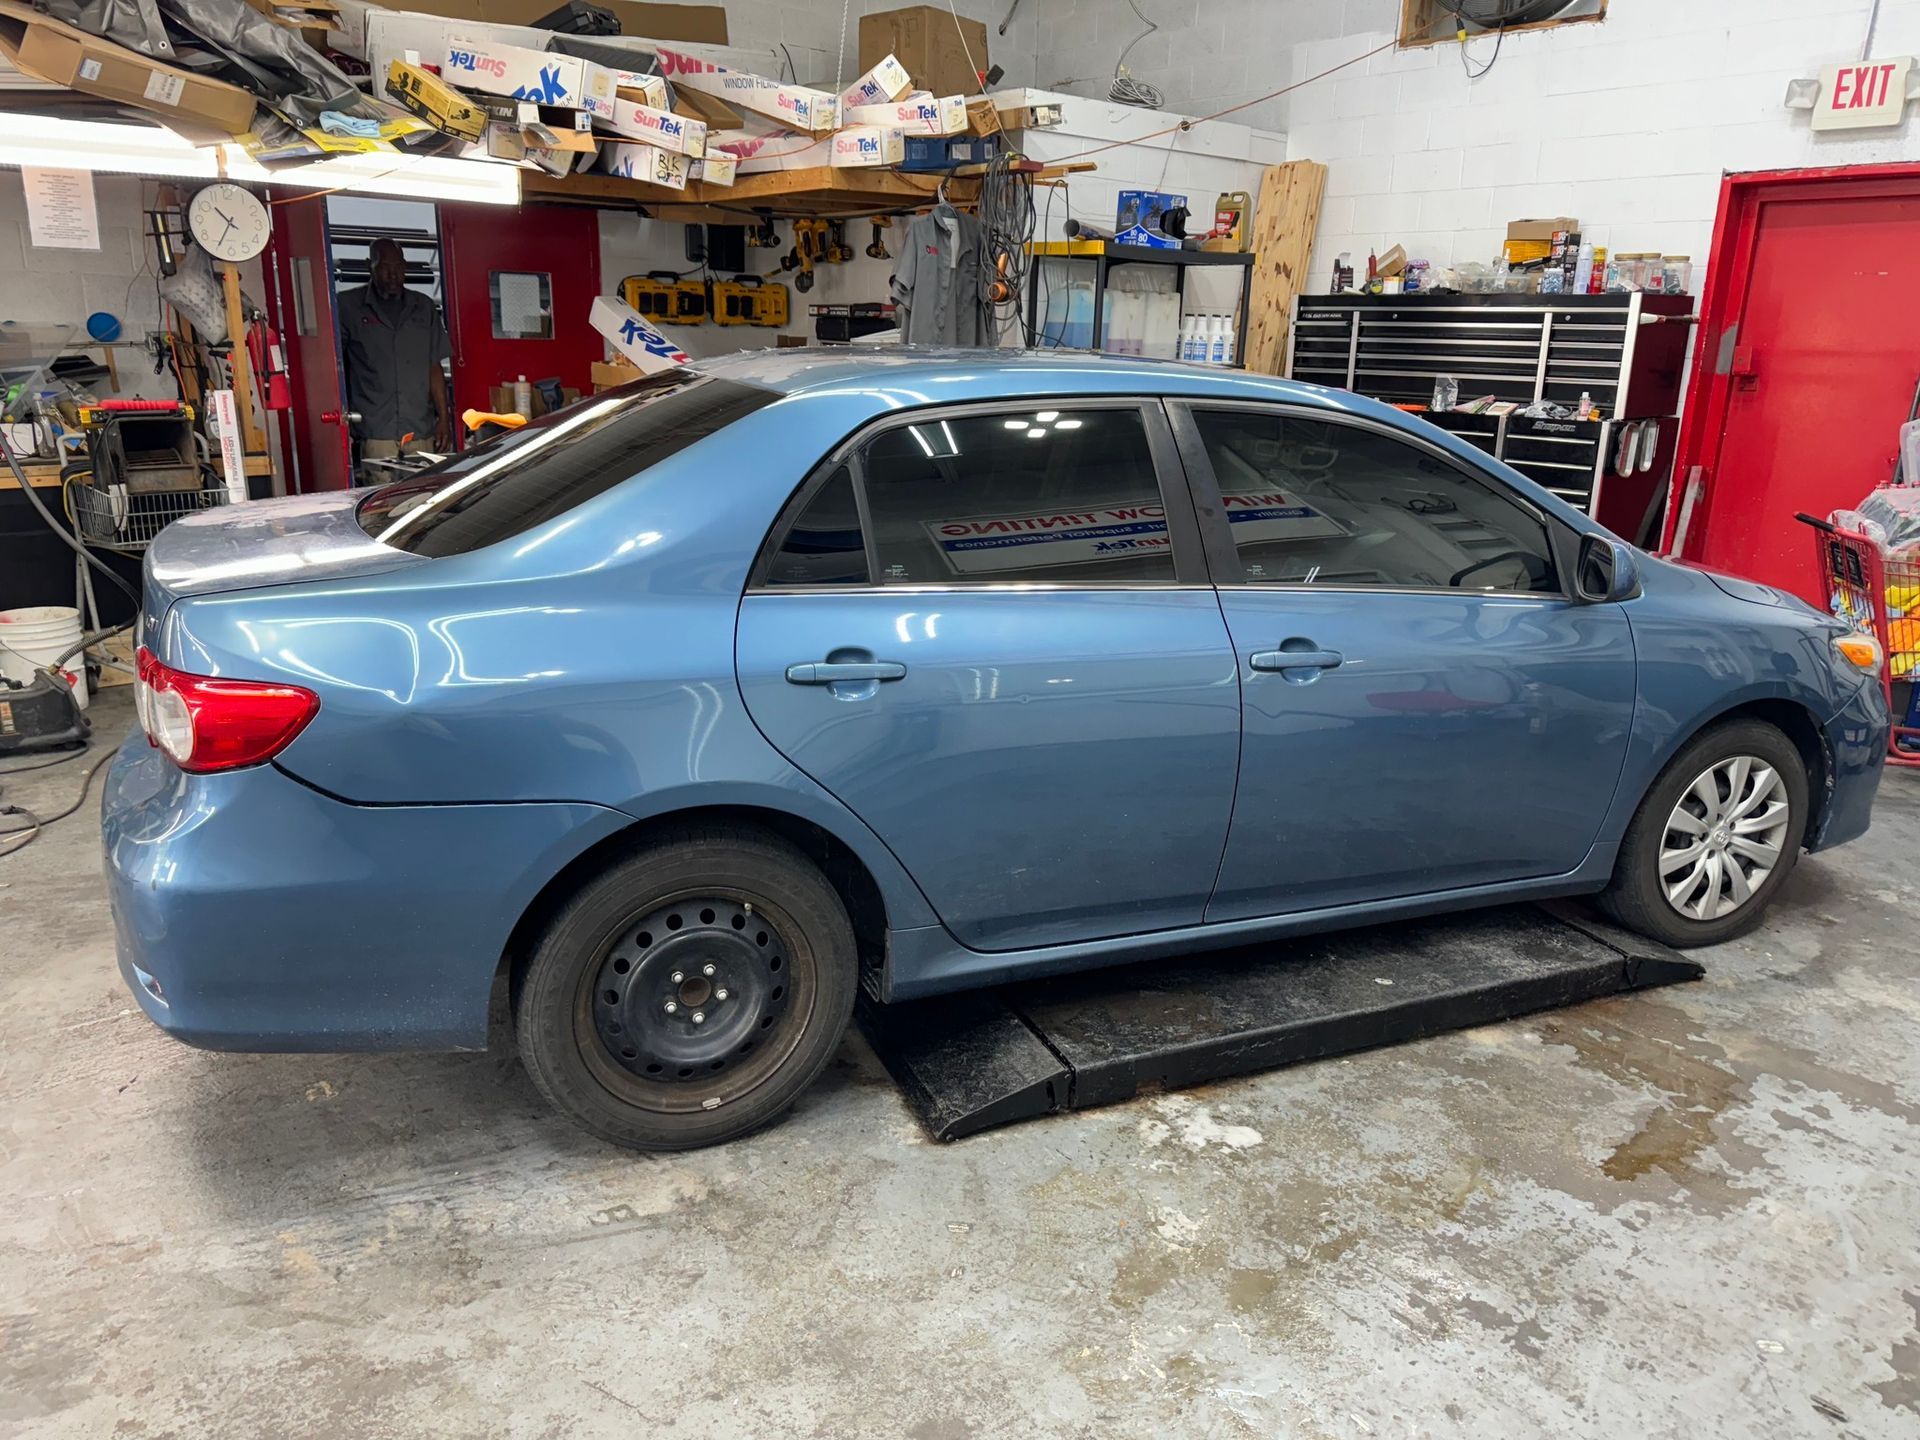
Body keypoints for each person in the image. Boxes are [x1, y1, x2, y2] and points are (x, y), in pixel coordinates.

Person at [337, 237, 451, 481]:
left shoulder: (424, 307)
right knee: (379, 501)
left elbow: (434, 367)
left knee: (423, 498)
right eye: (386, 267)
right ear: (371, 265)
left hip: (419, 426)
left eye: (399, 268)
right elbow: (335, 367)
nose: (393, 275)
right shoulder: (348, 307)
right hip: (376, 429)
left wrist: (444, 418)